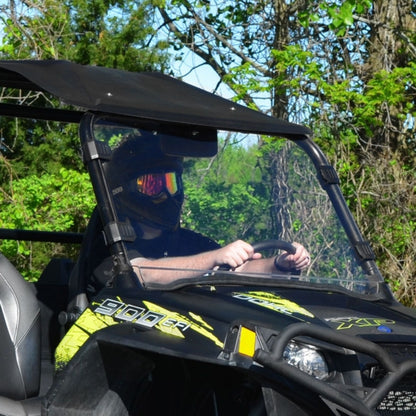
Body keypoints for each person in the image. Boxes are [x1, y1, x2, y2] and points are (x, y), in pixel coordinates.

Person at [89, 132, 311, 289]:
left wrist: (278, 264)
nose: (168, 194)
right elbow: (143, 272)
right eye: (153, 185)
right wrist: (213, 258)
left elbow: (237, 269)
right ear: (124, 189)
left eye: (173, 183)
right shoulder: (112, 243)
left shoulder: (186, 242)